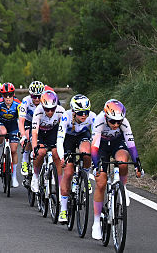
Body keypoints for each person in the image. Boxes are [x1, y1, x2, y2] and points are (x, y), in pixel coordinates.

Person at [90, 99, 142, 240]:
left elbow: (131, 145)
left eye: (119, 122)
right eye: (113, 122)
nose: (116, 125)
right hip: (101, 146)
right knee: (100, 183)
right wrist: (96, 166)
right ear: (106, 117)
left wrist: (138, 164)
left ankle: (123, 187)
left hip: (117, 143)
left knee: (123, 162)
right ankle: (96, 223)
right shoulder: (99, 120)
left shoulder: (124, 123)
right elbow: (94, 147)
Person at [56, 94, 96, 223]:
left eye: (86, 112)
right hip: (68, 139)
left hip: (83, 135)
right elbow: (59, 140)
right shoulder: (66, 117)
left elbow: (96, 140)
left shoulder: (93, 117)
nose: (84, 115)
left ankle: (85, 173)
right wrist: (62, 157)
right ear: (74, 112)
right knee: (68, 172)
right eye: (80, 113)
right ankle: (63, 210)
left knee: (86, 152)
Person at [29, 89, 65, 193]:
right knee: (41, 152)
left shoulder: (60, 110)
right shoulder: (38, 111)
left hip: (52, 131)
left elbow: (63, 131)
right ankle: (35, 177)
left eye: (52, 109)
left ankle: (59, 181)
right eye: (47, 109)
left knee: (56, 154)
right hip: (40, 132)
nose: (50, 112)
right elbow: (34, 132)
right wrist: (35, 148)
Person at [0, 82, 22, 187]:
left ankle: (14, 177)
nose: (8, 98)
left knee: (13, 150)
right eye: (5, 95)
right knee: (2, 132)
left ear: (13, 94)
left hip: (13, 124)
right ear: (2, 96)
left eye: (10, 95)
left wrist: (21, 132)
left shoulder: (18, 103)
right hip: (1, 122)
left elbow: (21, 119)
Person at [18, 80, 50, 177]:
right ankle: (24, 160)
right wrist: (23, 135)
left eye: (39, 96)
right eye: (34, 96)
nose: (36, 99)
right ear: (30, 95)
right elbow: (21, 121)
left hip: (41, 123)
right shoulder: (26, 101)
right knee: (29, 138)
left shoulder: (46, 100)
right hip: (29, 122)